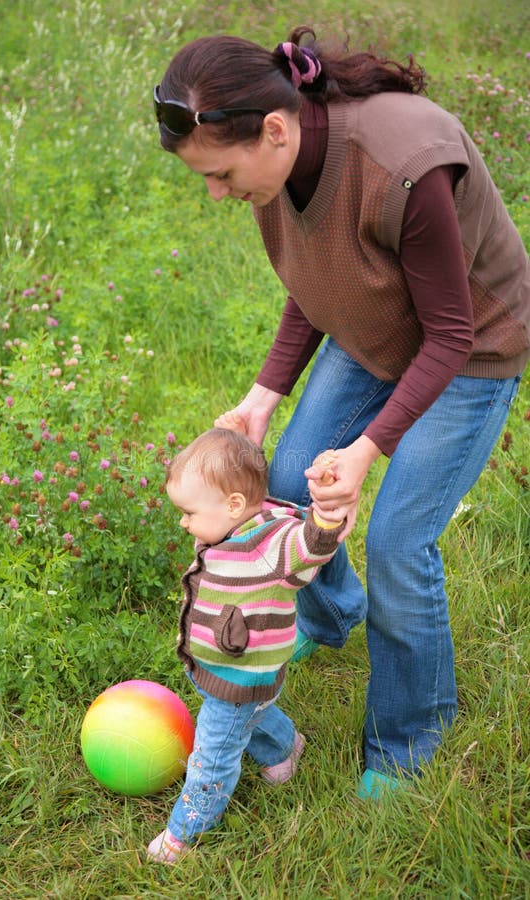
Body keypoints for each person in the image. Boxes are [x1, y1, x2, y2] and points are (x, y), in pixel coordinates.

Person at [153, 26, 530, 798]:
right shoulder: (276, 171)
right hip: (378, 326)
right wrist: (264, 396)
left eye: (220, 174)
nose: (216, 193)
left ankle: (409, 739)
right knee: (286, 475)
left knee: (398, 538)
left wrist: (366, 447)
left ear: (276, 129)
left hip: (475, 345)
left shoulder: (404, 166)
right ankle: (333, 614)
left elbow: (452, 334)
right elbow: (317, 281)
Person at [147, 427, 345, 863]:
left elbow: (310, 546)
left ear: (234, 505)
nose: (184, 522)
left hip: (240, 675)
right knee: (249, 715)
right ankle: (284, 745)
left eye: (189, 512)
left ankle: (185, 832)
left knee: (212, 757)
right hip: (224, 671)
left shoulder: (271, 547)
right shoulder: (224, 529)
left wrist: (327, 511)